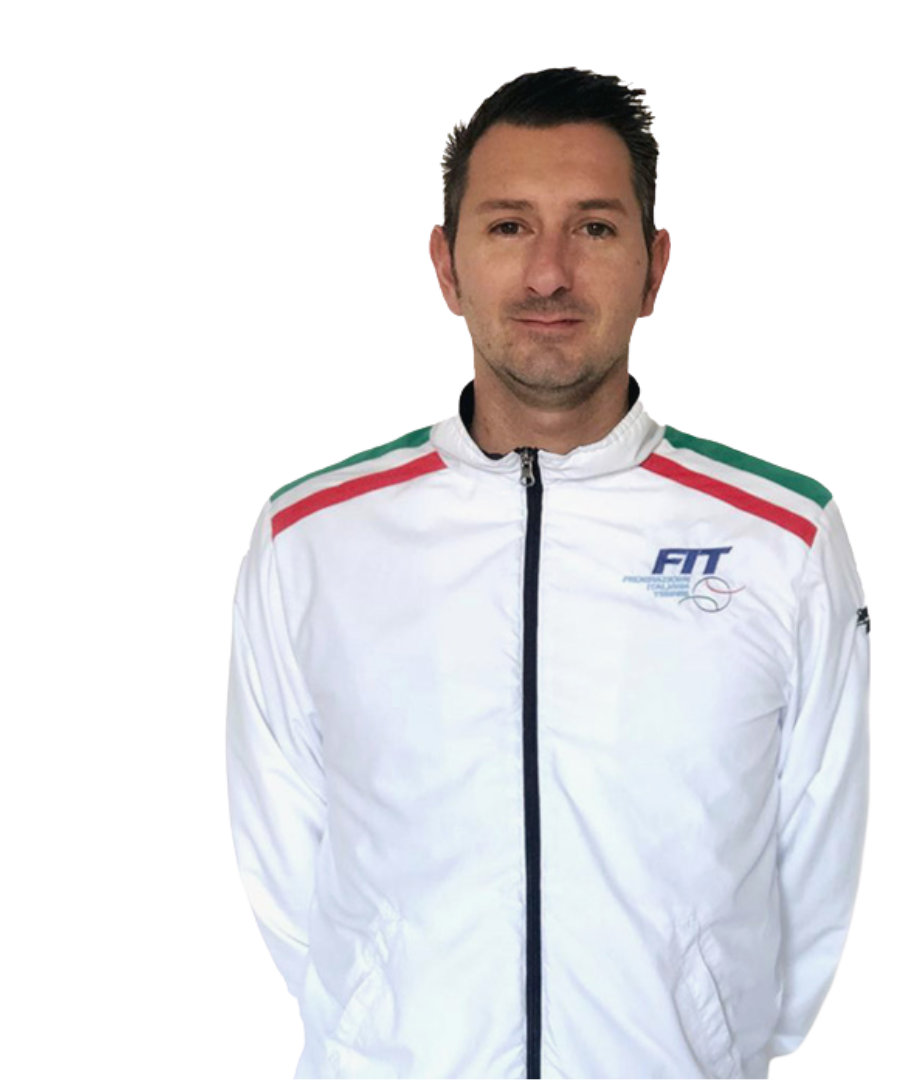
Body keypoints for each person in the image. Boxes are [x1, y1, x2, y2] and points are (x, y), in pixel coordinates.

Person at [225, 67, 870, 1080]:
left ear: (655, 270)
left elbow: (818, 865)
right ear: (446, 268)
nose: (549, 274)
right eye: (509, 227)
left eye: (595, 228)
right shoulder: (309, 538)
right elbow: (280, 861)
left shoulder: (783, 538)